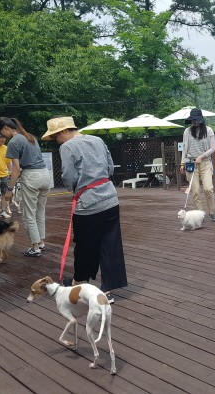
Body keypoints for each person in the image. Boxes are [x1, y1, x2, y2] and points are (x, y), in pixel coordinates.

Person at [42, 116, 127, 302]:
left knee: (85, 246)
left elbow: (69, 176)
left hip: (88, 203)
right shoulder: (98, 140)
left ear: (63, 131)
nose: (57, 141)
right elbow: (110, 168)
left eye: (56, 137)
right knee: (110, 245)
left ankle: (79, 282)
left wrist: (73, 187)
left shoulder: (67, 147)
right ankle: (107, 290)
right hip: (111, 199)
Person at [0, 117, 50, 257]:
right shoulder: (30, 136)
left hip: (31, 176)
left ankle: (35, 247)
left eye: (1, 132)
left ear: (6, 128)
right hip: (45, 174)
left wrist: (9, 190)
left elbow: (16, 169)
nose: (2, 135)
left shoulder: (14, 141)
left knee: (28, 214)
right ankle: (41, 242)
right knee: (40, 211)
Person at [180, 108, 215, 222]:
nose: (194, 122)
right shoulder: (187, 131)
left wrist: (201, 157)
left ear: (201, 120)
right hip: (191, 164)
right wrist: (183, 163)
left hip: (205, 163)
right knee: (195, 191)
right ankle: (200, 214)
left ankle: (211, 212)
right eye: (192, 120)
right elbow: (184, 148)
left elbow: (213, 148)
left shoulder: (209, 131)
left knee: (208, 188)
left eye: (196, 120)